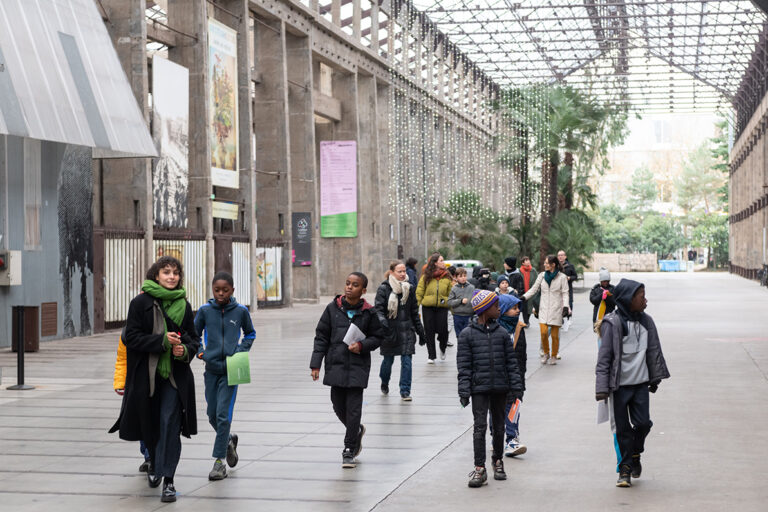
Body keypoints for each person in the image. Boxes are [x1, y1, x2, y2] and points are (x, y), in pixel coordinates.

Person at [110, 256, 200, 503]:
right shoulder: (140, 303)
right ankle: (153, 463)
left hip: (174, 377)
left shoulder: (185, 304)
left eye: (175, 273)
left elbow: (193, 339)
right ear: (156, 275)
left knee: (170, 423)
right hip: (145, 377)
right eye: (166, 272)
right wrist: (161, 342)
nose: (171, 277)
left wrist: (185, 351)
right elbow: (132, 337)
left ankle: (169, 480)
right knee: (149, 424)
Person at [596, 279, 670, 488]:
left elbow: (654, 351)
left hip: (639, 385)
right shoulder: (613, 323)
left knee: (643, 423)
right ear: (629, 300)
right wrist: (601, 388)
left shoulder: (647, 322)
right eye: (641, 297)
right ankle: (625, 469)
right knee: (622, 429)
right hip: (619, 387)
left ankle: (636, 453)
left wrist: (655, 377)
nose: (645, 300)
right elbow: (604, 358)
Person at [310, 272, 384, 468]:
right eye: (348, 283)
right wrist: (315, 364)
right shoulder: (332, 309)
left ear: (363, 290)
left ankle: (349, 448)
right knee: (337, 405)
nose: (350, 287)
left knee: (353, 410)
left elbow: (377, 337)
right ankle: (356, 430)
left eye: (355, 285)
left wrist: (362, 346)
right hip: (336, 365)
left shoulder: (369, 312)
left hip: (357, 368)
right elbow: (321, 337)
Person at [194, 271, 256, 481]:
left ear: (232, 291)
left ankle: (219, 462)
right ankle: (228, 439)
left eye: (225, 290)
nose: (221, 294)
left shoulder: (240, 311)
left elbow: (250, 333)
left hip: (232, 369)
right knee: (212, 414)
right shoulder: (204, 311)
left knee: (223, 415)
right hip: (211, 369)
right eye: (217, 290)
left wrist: (240, 350)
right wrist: (200, 351)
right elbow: (194, 334)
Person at [458, 290, 523, 488]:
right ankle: (479, 468)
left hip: (500, 388)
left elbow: (511, 363)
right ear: (485, 310)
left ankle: (497, 460)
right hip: (479, 389)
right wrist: (464, 390)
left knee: (499, 427)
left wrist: (516, 387)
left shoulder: (502, 333)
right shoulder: (467, 335)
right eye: (495, 306)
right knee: (479, 428)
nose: (498, 309)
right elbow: (464, 366)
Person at [374, 261, 426, 401]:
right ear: (392, 272)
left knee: (407, 361)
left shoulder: (410, 288)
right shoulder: (384, 289)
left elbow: (414, 312)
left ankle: (405, 391)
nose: (403, 274)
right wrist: (383, 323)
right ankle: (384, 381)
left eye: (404, 271)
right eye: (400, 271)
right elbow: (378, 310)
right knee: (387, 361)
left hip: (407, 331)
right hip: (390, 332)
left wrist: (421, 333)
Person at [113, 329, 151, 473]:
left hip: (156, 381)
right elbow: (122, 359)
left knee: (150, 420)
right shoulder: (126, 333)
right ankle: (148, 455)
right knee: (141, 419)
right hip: (136, 383)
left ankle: (150, 456)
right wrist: (119, 383)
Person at [522, 254, 570, 365]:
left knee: (554, 336)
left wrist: (566, 306)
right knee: (543, 333)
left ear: (553, 265)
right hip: (543, 309)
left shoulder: (562, 277)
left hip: (556, 309)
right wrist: (524, 297)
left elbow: (565, 293)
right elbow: (533, 289)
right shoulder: (542, 276)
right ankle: (546, 353)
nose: (544, 264)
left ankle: (553, 355)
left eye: (547, 263)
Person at [496, 294, 527, 457]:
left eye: (518, 308)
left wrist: (520, 379)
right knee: (496, 410)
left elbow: (522, 356)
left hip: (515, 378)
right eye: (513, 308)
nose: (517, 311)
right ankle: (496, 438)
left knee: (514, 407)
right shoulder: (494, 329)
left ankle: (511, 439)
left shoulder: (519, 328)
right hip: (497, 378)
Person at [415, 253, 453, 363]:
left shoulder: (447, 276)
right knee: (429, 331)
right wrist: (416, 308)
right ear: (435, 263)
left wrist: (453, 309)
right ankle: (431, 356)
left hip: (442, 307)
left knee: (443, 331)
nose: (443, 262)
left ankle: (442, 347)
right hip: (428, 307)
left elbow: (451, 294)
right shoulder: (426, 277)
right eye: (441, 260)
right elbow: (419, 292)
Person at [447, 267, 475, 340]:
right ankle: (460, 350)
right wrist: (460, 301)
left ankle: (468, 351)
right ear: (456, 278)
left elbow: (475, 300)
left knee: (469, 336)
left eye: (464, 276)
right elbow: (449, 302)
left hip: (469, 316)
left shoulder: (472, 288)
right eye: (460, 276)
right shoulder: (454, 288)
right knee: (459, 336)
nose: (463, 278)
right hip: (457, 316)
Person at [519, 256, 538, 326]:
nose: (528, 261)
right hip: (523, 291)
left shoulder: (533, 270)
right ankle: (526, 321)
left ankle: (527, 320)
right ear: (523, 263)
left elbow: (537, 280)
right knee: (524, 307)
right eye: (526, 260)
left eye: (528, 260)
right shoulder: (519, 271)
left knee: (530, 307)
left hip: (531, 291)